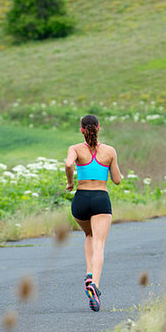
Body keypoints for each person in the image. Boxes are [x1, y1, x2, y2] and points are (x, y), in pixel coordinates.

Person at [65, 114, 121, 312]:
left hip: (81, 200)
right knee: (99, 243)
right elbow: (117, 180)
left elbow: (69, 164)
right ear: (99, 128)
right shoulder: (109, 151)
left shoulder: (75, 149)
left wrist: (70, 182)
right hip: (100, 199)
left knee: (88, 235)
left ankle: (89, 272)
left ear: (81, 129)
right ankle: (94, 284)